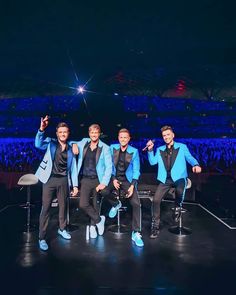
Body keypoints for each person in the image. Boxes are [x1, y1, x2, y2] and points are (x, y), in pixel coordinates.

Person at [146, 125, 201, 239]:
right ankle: (155, 227)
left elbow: (190, 158)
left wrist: (195, 165)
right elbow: (152, 162)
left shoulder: (182, 147)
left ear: (173, 135)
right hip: (165, 179)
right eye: (164, 135)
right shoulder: (160, 149)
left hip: (179, 177)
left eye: (168, 135)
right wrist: (150, 150)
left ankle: (177, 207)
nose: (166, 137)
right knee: (156, 200)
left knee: (180, 190)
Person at [35, 115, 78, 251]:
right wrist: (41, 129)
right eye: (60, 132)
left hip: (64, 180)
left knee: (63, 206)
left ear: (68, 133)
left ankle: (62, 229)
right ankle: (41, 238)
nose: (63, 134)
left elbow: (74, 168)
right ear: (57, 133)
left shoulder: (71, 148)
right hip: (49, 179)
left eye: (65, 132)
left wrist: (75, 185)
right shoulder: (51, 142)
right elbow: (38, 144)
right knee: (46, 208)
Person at [103, 128, 144, 247]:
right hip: (115, 178)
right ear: (118, 138)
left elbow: (137, 171)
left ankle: (136, 232)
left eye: (125, 137)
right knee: (103, 190)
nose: (123, 139)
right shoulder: (112, 148)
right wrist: (113, 179)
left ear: (129, 138)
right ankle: (116, 204)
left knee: (136, 203)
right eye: (121, 137)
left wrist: (132, 186)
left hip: (127, 180)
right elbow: (109, 165)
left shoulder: (134, 151)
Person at [73, 124, 112, 238]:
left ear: (99, 134)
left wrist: (103, 183)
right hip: (85, 179)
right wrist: (74, 144)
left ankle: (92, 226)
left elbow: (109, 167)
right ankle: (100, 220)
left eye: (96, 133)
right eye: (92, 133)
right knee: (83, 204)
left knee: (95, 205)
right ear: (89, 134)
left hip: (97, 180)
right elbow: (71, 142)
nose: (94, 135)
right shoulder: (84, 142)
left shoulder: (105, 147)